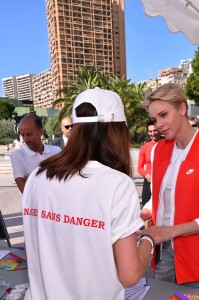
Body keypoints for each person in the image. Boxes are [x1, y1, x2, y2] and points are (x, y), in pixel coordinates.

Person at [22, 87, 160, 299]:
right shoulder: (117, 184)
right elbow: (130, 275)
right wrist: (149, 237)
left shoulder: (37, 176)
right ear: (116, 131)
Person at [140, 83, 199, 287]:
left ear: (182, 108)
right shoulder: (157, 151)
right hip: (163, 249)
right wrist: (141, 212)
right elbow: (159, 196)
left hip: (194, 251)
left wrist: (169, 231)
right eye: (155, 119)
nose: (159, 124)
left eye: (164, 115)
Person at [11, 115, 61, 193]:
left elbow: (65, 181)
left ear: (40, 132)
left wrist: (33, 182)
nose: (26, 139)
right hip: (34, 205)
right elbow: (24, 189)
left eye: (29, 134)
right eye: (23, 135)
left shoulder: (57, 151)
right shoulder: (18, 155)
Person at [137, 120, 161, 207]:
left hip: (163, 182)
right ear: (148, 132)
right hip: (149, 181)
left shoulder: (168, 145)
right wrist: (147, 175)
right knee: (146, 210)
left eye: (155, 130)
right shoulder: (144, 148)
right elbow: (139, 167)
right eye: (150, 131)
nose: (153, 133)